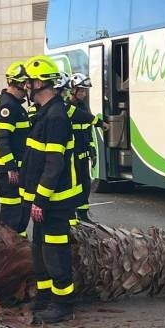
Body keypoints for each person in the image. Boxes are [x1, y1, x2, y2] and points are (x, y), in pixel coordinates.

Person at [19, 55, 81, 324]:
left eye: (29, 83)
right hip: (43, 200)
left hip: (54, 201)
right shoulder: (45, 114)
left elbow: (53, 165)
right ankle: (44, 298)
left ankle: (63, 304)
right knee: (40, 250)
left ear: (40, 83)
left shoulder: (55, 116)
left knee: (55, 253)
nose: (27, 88)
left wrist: (41, 199)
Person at [0, 61, 31, 235]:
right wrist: (11, 168)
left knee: (19, 212)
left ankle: (16, 248)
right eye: (26, 84)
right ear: (19, 84)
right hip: (10, 169)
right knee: (11, 215)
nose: (28, 88)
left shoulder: (12, 103)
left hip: (15, 167)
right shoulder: (9, 106)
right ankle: (8, 251)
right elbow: (2, 140)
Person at [65, 73, 103, 223]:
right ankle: (71, 214)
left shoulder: (84, 108)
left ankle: (83, 213)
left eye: (85, 91)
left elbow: (89, 131)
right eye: (81, 90)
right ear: (72, 90)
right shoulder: (67, 108)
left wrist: (92, 150)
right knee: (74, 185)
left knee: (85, 185)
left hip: (83, 154)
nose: (84, 93)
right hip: (72, 154)